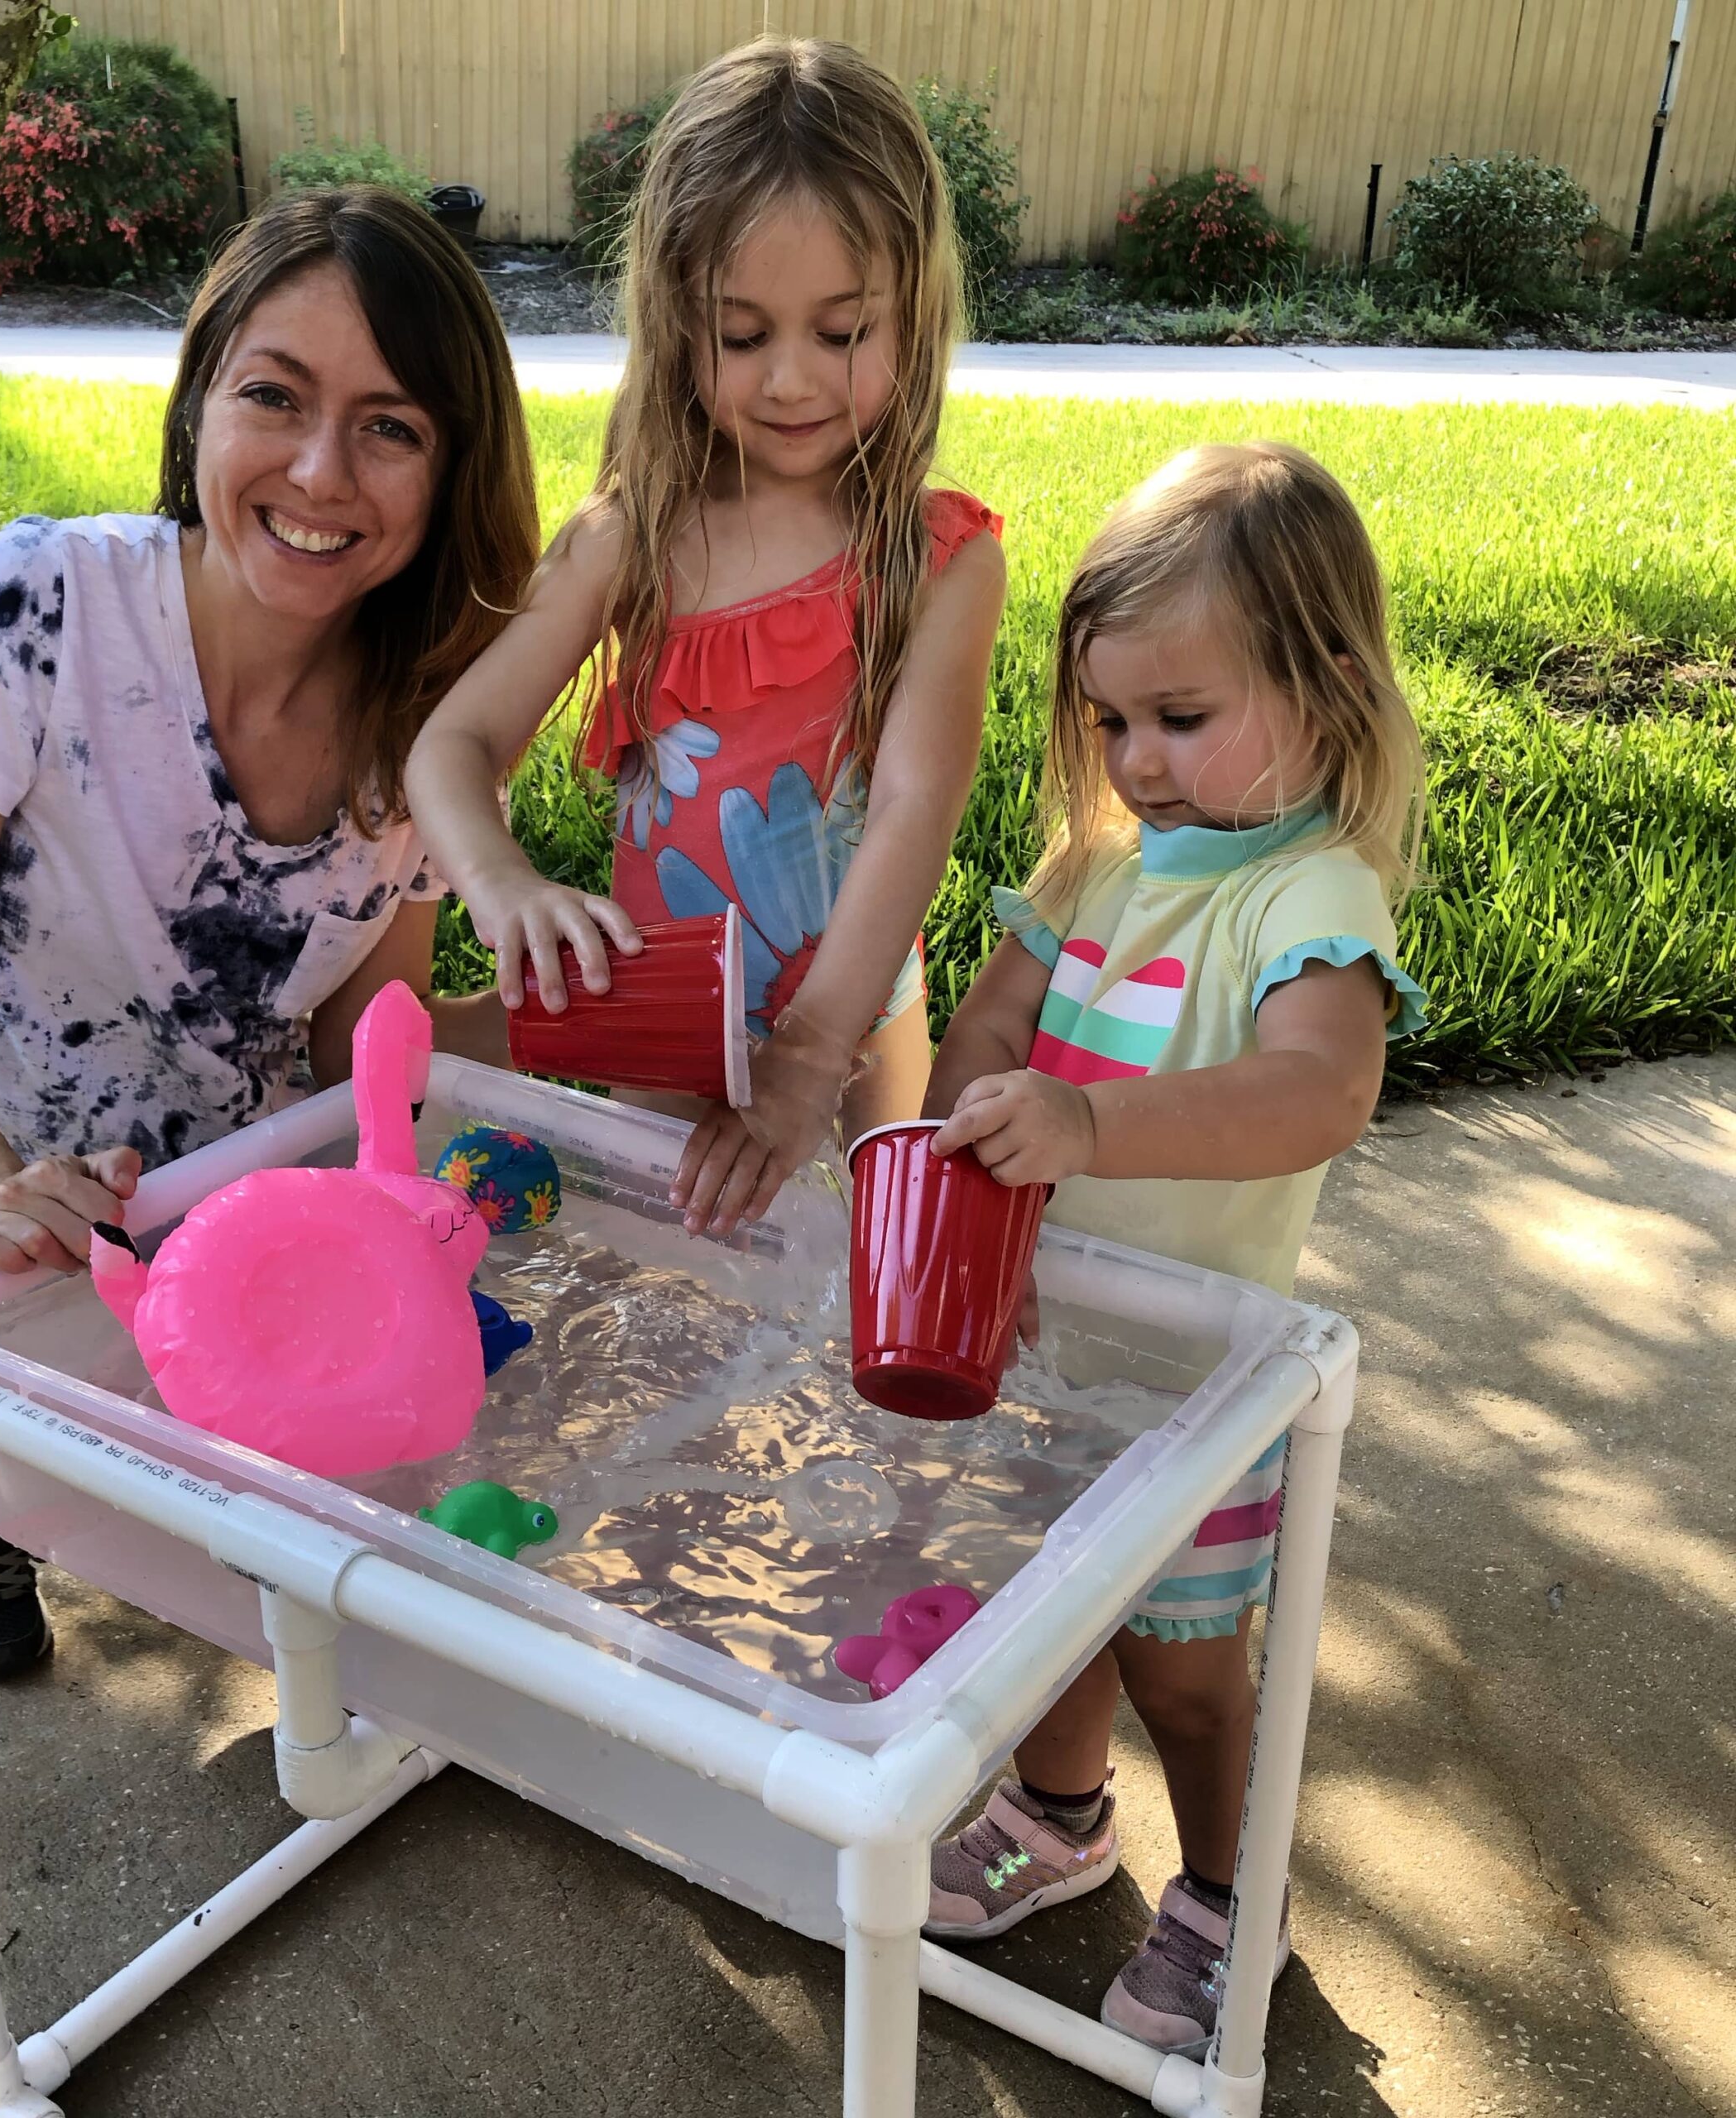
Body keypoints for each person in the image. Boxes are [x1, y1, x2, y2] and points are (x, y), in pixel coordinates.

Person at [0, 187, 535, 1680]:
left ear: (450, 468)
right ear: (200, 397)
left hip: (241, 1211)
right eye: (275, 395)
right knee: (4, 1588)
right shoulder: (41, 600)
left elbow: (360, 1048)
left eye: (392, 426)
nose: (320, 469)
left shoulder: (433, 728)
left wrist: (594, 1017)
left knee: (285, 1569)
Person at [919, 442, 1429, 2057]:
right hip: (1044, 1341)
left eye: (1182, 716)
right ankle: (1060, 1810)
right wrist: (952, 1184)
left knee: (1184, 1661)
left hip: (1191, 1383)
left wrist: (1083, 1128)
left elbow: (1315, 1086)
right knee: (1051, 1609)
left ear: (1325, 683)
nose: (1136, 757)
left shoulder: (1303, 891)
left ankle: (1229, 1884)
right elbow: (993, 1016)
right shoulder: (1097, 868)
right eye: (1110, 719)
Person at [405, 37, 1007, 1238]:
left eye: (844, 333)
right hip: (671, 1016)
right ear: (676, 322)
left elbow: (912, 812)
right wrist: (504, 885)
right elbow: (453, 744)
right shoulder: (635, 537)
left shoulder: (939, 558)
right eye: (742, 336)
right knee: (673, 1296)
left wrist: (811, 1052)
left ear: (915, 316)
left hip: (859, 1011)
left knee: (866, 1285)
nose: (793, 380)